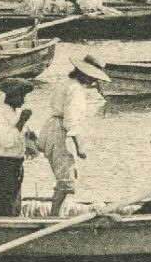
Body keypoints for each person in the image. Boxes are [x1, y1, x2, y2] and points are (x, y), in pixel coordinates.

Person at [40, 57, 107, 215]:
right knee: (67, 180)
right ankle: (54, 216)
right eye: (92, 77)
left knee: (65, 177)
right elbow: (70, 121)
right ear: (85, 74)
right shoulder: (75, 90)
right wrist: (79, 146)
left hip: (53, 128)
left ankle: (56, 213)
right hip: (60, 133)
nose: (93, 81)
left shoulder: (67, 84)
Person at [0, 80, 39, 216]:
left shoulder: (16, 112)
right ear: (11, 95)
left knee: (14, 207)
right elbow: (7, 141)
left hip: (14, 167)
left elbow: (22, 137)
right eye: (21, 96)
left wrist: (30, 138)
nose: (23, 101)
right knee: (3, 208)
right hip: (2, 167)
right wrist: (21, 122)